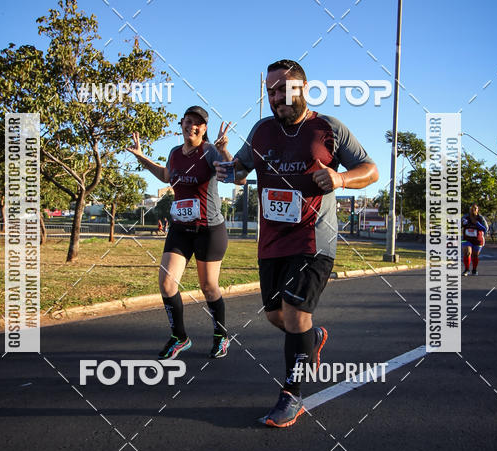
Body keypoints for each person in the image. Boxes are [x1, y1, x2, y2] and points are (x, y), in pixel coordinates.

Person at [217, 60, 378, 428]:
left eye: (283, 89)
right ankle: (313, 336)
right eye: (270, 91)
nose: (276, 97)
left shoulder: (328, 129)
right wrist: (224, 162)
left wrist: (340, 178)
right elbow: (240, 173)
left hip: (313, 240)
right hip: (271, 242)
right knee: (278, 316)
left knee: (294, 314)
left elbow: (370, 169)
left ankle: (291, 395)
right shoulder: (261, 132)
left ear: (303, 89)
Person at [128, 107, 233, 359]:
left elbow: (233, 175)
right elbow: (166, 176)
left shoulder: (209, 152)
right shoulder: (175, 153)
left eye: (198, 124)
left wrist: (223, 150)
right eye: (188, 122)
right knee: (166, 282)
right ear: (182, 124)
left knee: (209, 287)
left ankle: (221, 335)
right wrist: (142, 158)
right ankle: (180, 337)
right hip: (180, 228)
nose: (192, 126)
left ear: (204, 129)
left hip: (208, 229)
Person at [461, 203, 488, 276]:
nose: (473, 210)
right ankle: (466, 270)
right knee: (467, 252)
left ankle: (474, 270)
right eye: (472, 208)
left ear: (477, 210)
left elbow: (485, 229)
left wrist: (477, 224)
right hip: (467, 239)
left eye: (475, 208)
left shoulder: (481, 218)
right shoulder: (465, 217)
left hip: (478, 239)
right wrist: (463, 223)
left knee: (475, 255)